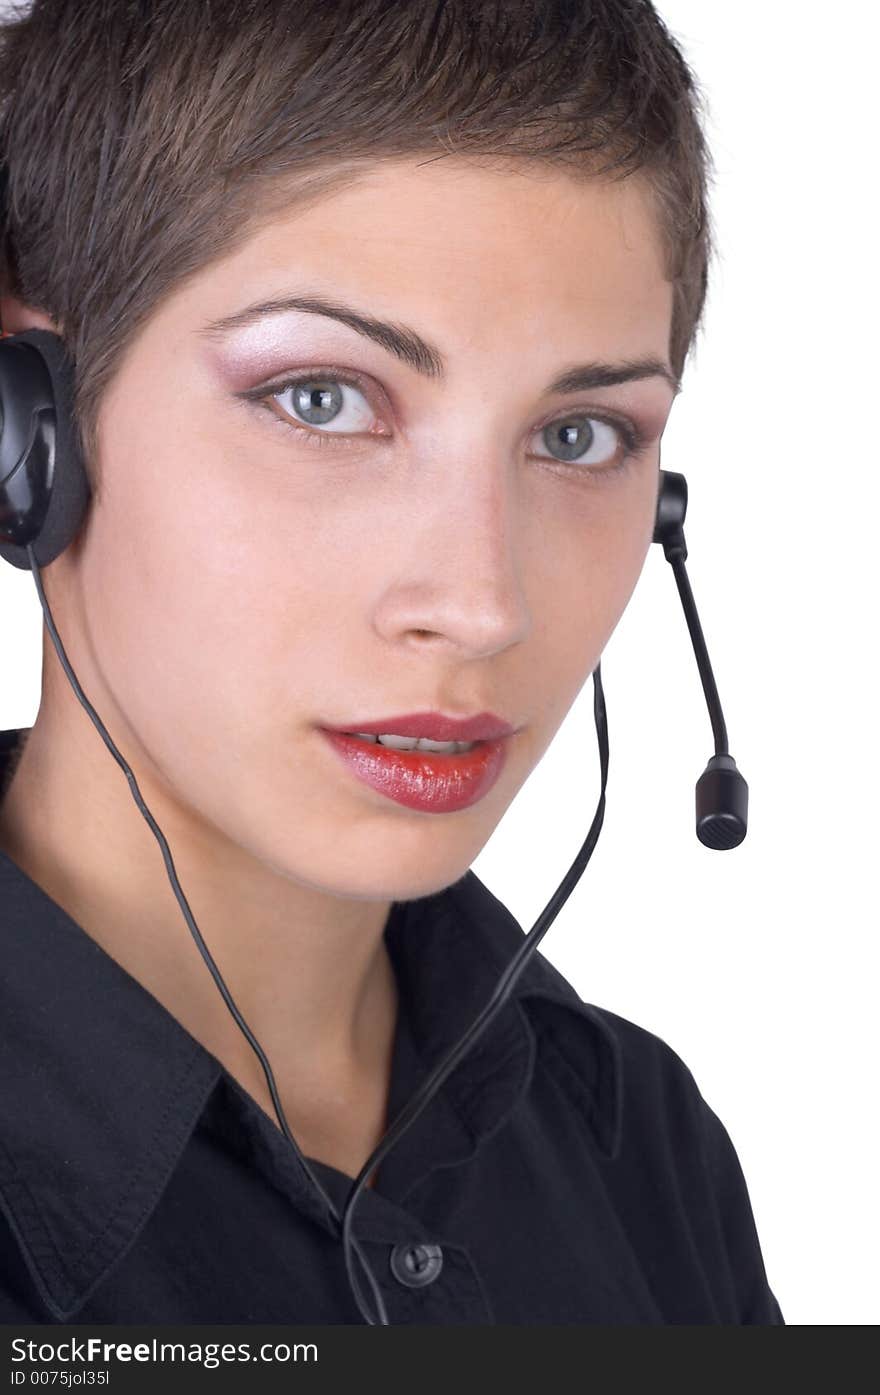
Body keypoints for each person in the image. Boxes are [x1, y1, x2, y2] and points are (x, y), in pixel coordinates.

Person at [0, 0, 784, 1324]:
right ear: (30, 435)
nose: (483, 605)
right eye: (323, 398)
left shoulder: (639, 1142)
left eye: (580, 435)